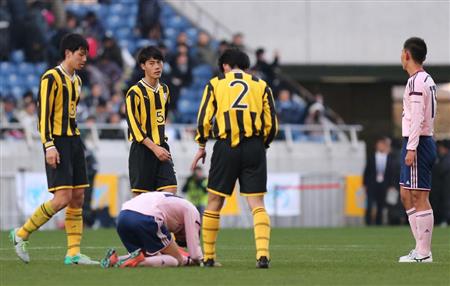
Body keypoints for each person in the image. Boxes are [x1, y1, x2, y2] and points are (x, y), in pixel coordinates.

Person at [9, 33, 98, 265]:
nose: (84, 59)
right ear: (68, 53)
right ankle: (21, 233)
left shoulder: (77, 81)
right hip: (56, 142)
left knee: (78, 197)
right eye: (81, 54)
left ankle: (73, 253)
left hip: (74, 141)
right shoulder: (51, 77)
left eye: (86, 55)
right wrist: (48, 145)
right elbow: (43, 115)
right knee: (61, 199)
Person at [191, 48, 278, 268]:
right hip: (254, 146)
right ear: (246, 67)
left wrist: (201, 145)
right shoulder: (261, 85)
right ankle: (262, 255)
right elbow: (272, 124)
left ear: (225, 66)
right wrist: (262, 145)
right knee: (257, 203)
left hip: (226, 145)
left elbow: (203, 119)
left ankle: (209, 257)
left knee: (214, 202)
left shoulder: (215, 83)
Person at [398, 37, 437, 263]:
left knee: (419, 196)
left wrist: (411, 148)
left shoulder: (416, 82)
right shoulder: (426, 79)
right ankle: (420, 247)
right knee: (406, 193)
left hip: (419, 142)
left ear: (407, 55)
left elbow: (417, 118)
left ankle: (423, 253)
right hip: (417, 141)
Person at [100, 192, 203, 268]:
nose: (178, 235)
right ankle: (131, 263)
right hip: (147, 217)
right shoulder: (192, 209)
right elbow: (194, 253)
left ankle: (115, 260)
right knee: (176, 260)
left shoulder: (171, 200)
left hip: (123, 217)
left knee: (147, 256)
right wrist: (200, 260)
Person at [125, 46, 177, 196]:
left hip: (162, 147)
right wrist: (154, 148)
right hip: (142, 151)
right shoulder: (134, 92)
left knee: (170, 192)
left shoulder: (165, 90)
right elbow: (134, 128)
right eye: (152, 63)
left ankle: (160, 220)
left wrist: (159, 146)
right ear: (143, 66)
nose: (157, 67)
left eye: (159, 62)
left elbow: (162, 118)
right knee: (142, 201)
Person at [363, 136, 396, 225]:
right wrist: (365, 184)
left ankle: (378, 222)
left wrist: (391, 185)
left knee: (380, 204)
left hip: (383, 184)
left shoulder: (389, 158)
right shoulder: (372, 157)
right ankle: (368, 222)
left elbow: (391, 173)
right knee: (369, 204)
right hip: (372, 184)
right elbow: (367, 171)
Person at [430, 140, 450, 226]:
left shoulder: (447, 158)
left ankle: (445, 219)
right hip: (441, 186)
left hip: (446, 186)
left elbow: (442, 169)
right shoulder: (441, 157)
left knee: (446, 203)